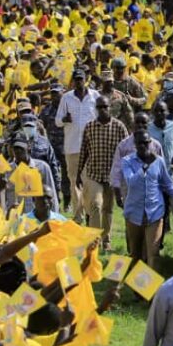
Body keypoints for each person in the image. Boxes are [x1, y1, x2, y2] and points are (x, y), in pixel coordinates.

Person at [116, 131, 173, 267]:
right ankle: (136, 287)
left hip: (155, 212)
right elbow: (131, 182)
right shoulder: (127, 161)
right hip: (134, 214)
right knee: (135, 254)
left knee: (153, 254)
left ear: (150, 143)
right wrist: (146, 166)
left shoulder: (158, 161)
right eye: (140, 143)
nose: (143, 146)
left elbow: (167, 183)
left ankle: (152, 288)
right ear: (135, 144)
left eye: (146, 143)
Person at [77, 95, 129, 251]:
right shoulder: (90, 127)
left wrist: (124, 175)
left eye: (105, 107)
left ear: (110, 107)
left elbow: (126, 151)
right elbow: (84, 150)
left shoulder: (119, 127)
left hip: (111, 176)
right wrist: (79, 172)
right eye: (99, 108)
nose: (102, 110)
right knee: (95, 205)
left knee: (107, 209)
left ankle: (106, 240)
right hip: (93, 174)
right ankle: (94, 241)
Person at [55, 70, 99, 222]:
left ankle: (88, 212)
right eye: (76, 79)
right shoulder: (66, 98)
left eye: (81, 79)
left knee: (88, 181)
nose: (79, 82)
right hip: (72, 146)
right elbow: (57, 121)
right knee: (74, 182)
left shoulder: (95, 96)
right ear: (73, 81)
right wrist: (64, 118)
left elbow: (101, 118)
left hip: (91, 147)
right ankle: (77, 216)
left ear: (86, 80)